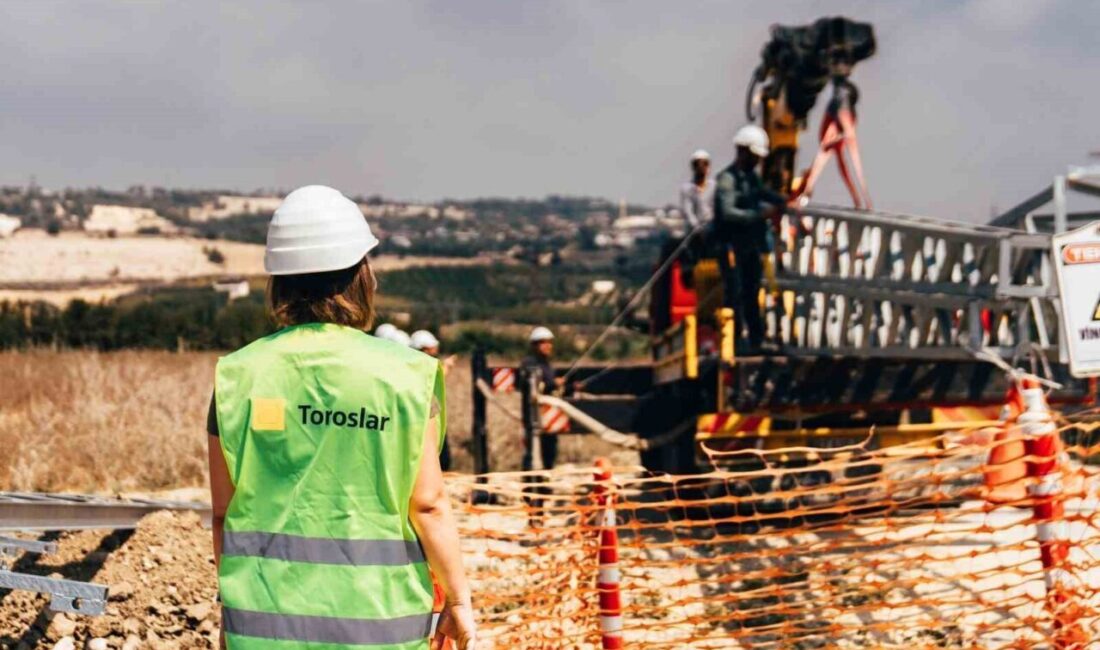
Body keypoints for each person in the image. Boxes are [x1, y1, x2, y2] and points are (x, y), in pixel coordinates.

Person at [206, 185, 477, 650]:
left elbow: (223, 514)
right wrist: (458, 601)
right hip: (382, 628)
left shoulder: (238, 376)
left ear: (279, 280)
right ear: (362, 275)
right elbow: (428, 505)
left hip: (264, 630)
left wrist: (236, 611)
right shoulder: (405, 377)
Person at [713, 125, 786, 350]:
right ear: (743, 151)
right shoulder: (727, 179)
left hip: (749, 246)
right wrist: (758, 215)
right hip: (731, 247)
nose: (757, 161)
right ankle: (734, 342)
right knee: (734, 294)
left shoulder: (750, 178)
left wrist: (782, 200)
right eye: (755, 156)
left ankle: (756, 340)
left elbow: (762, 192)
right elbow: (727, 212)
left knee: (752, 292)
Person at [411, 329, 457, 472]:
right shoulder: (423, 365)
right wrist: (447, 366)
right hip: (427, 411)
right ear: (424, 348)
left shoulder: (414, 363)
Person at [519, 326, 564, 471]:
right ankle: (529, 489)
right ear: (534, 345)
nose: (547, 346)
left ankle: (546, 487)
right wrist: (553, 383)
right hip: (534, 418)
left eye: (549, 342)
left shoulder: (548, 365)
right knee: (532, 454)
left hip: (549, 418)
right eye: (543, 342)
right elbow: (533, 385)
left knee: (550, 454)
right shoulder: (529, 364)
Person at [679, 149, 715, 229]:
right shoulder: (686, 188)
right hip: (693, 231)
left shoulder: (714, 186)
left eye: (704, 164)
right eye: (697, 164)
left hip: (712, 230)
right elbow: (688, 212)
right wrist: (697, 228)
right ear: (693, 167)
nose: (701, 167)